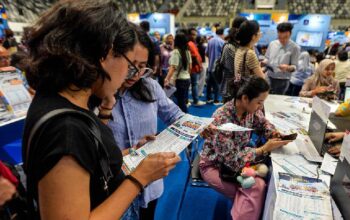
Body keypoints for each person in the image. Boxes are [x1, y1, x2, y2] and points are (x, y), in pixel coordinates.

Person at [22, 1, 180, 219]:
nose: (130, 74)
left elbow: (91, 166)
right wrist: (139, 178)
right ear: (105, 54)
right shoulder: (66, 129)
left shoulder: (61, 102)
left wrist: (133, 152)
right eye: (130, 64)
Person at [109, 25, 184, 220]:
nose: (136, 73)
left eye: (143, 67)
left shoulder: (150, 86)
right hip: (113, 187)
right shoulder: (100, 96)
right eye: (132, 65)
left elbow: (173, 113)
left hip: (150, 183)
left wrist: (197, 127)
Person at [199, 76, 290, 219]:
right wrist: (263, 149)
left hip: (236, 161)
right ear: (245, 98)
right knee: (253, 190)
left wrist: (273, 133)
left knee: (257, 186)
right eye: (259, 102)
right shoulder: (221, 119)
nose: (261, 107)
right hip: (215, 165)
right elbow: (232, 160)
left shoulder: (250, 111)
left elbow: (264, 123)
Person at [264, 22, 300, 95]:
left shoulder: (295, 47)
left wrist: (288, 67)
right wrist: (264, 62)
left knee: (277, 101)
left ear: (290, 34)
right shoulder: (272, 44)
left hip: (282, 80)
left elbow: (295, 66)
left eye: (285, 37)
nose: (282, 40)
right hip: (269, 76)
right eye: (280, 37)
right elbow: (267, 58)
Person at [220, 16, 247, 103]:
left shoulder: (244, 46)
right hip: (231, 89)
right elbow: (232, 69)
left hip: (242, 88)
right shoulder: (229, 47)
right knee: (230, 114)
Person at [164, 32, 192, 113]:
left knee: (180, 102)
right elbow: (190, 67)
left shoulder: (176, 52)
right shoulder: (187, 51)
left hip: (179, 80)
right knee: (183, 101)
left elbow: (173, 67)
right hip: (187, 79)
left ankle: (185, 119)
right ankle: (184, 118)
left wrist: (167, 79)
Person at [234, 20, 265, 90]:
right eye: (259, 32)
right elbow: (262, 78)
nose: (260, 34)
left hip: (240, 89)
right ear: (253, 36)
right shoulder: (250, 53)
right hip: (248, 92)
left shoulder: (239, 49)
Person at [206, 28, 225, 105]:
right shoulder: (222, 42)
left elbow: (206, 53)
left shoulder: (210, 41)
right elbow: (224, 55)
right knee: (217, 84)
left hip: (210, 65)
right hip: (218, 67)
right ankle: (216, 100)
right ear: (222, 34)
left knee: (209, 83)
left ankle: (209, 98)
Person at [187, 28, 205, 106]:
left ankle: (190, 100)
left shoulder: (192, 43)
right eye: (193, 34)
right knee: (194, 84)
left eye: (195, 34)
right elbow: (194, 57)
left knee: (192, 84)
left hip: (194, 67)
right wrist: (200, 66)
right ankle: (195, 100)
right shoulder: (190, 43)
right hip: (193, 67)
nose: (194, 36)